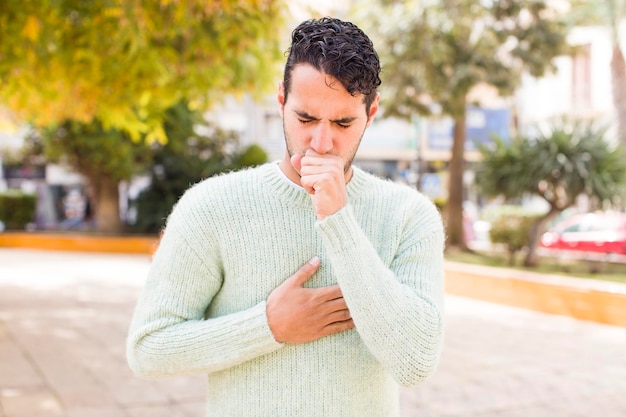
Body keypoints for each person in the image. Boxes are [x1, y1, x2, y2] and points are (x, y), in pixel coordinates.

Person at [126, 17, 445, 417]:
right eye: (306, 118)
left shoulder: (409, 215)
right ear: (281, 99)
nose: (322, 142)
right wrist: (268, 327)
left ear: (372, 111)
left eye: (343, 122)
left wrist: (339, 219)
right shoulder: (211, 206)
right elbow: (149, 348)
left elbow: (415, 361)